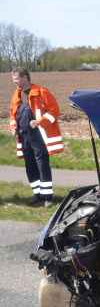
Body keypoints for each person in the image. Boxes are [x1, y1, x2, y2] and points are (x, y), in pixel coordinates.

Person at [8, 68, 63, 207]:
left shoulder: (41, 91)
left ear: (25, 77)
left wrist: (40, 122)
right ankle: (37, 195)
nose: (14, 82)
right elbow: (12, 114)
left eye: (16, 79)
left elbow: (55, 110)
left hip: (38, 135)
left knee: (42, 164)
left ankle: (47, 197)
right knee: (30, 165)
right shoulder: (16, 94)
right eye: (13, 79)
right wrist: (13, 126)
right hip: (23, 135)